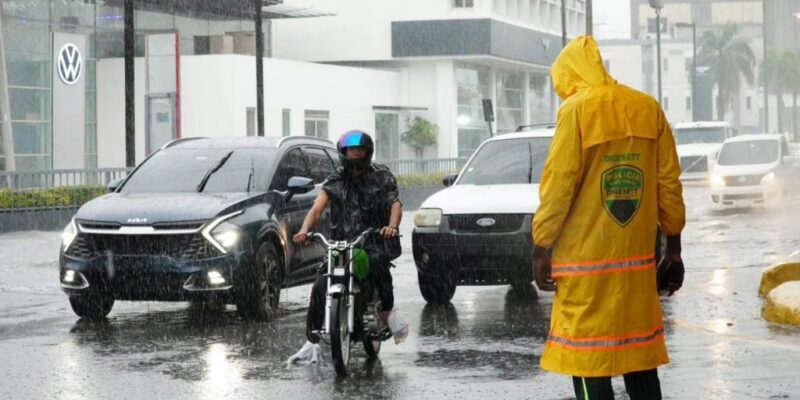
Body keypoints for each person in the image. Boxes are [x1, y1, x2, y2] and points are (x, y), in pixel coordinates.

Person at [531, 36, 686, 400]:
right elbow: (668, 183)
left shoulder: (576, 112)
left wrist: (541, 245)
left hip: (585, 271)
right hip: (635, 272)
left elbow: (559, 187)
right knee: (638, 353)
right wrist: (674, 248)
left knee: (586, 359)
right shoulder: (647, 108)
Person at [288, 130, 406, 364]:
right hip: (341, 244)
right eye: (351, 151)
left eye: (360, 150)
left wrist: (391, 226)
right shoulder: (335, 179)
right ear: (343, 154)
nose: (356, 155)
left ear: (368, 152)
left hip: (372, 240)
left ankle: (387, 317)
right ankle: (312, 339)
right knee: (321, 283)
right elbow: (317, 209)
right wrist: (303, 231)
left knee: (381, 275)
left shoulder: (382, 176)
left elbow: (395, 204)